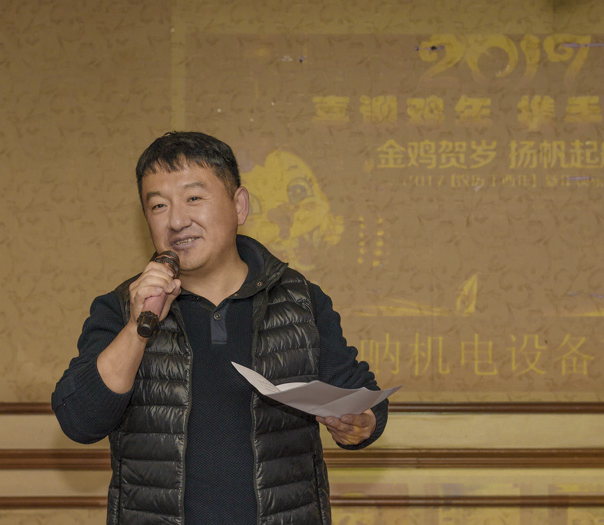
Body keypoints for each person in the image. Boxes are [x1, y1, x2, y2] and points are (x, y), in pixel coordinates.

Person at [51, 131, 389, 525]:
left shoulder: (300, 300)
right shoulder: (120, 307)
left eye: (194, 198)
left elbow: (361, 397)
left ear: (239, 205)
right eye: (158, 205)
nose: (177, 220)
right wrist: (137, 327)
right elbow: (79, 421)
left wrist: (361, 423)